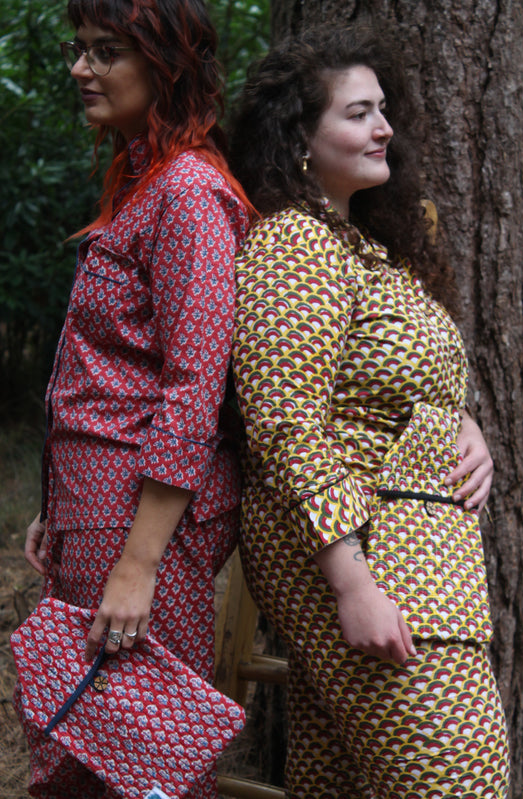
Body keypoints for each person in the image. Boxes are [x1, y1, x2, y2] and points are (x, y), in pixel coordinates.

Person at [230, 24, 510, 799]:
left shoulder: (371, 250)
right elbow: (284, 424)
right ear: (297, 138)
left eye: (382, 109)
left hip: (422, 557)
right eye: (357, 113)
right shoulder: (293, 244)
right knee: (457, 779)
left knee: (341, 781)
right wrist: (349, 579)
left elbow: (392, 382)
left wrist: (457, 421)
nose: (383, 126)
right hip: (367, 561)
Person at [16, 1, 251, 797]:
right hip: (97, 509)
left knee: (144, 758)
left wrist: (137, 564)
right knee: (84, 740)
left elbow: (194, 387)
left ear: (166, 66)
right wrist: (60, 506)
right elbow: (110, 371)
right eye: (79, 50)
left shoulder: (188, 191)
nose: (80, 69)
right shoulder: (143, 178)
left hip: (141, 521)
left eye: (105, 52)